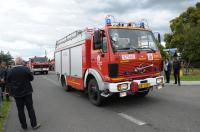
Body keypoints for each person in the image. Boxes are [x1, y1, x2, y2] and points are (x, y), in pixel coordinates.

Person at [6, 57, 40, 130]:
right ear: (21, 62)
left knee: (20, 110)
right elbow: (31, 78)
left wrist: (10, 91)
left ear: (15, 62)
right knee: (30, 108)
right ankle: (34, 125)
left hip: (17, 94)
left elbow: (8, 82)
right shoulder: (26, 69)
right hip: (27, 92)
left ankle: (24, 126)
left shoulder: (10, 71)